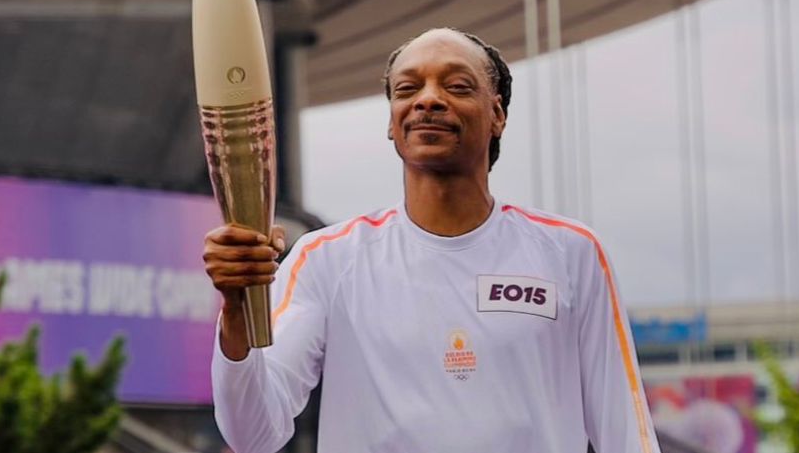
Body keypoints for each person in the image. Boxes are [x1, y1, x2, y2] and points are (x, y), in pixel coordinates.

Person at [204, 28, 661, 453]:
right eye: (407, 89)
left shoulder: (571, 253)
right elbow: (254, 434)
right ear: (391, 121)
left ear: (497, 114)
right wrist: (237, 309)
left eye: (457, 87)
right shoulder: (327, 259)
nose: (428, 101)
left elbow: (625, 431)